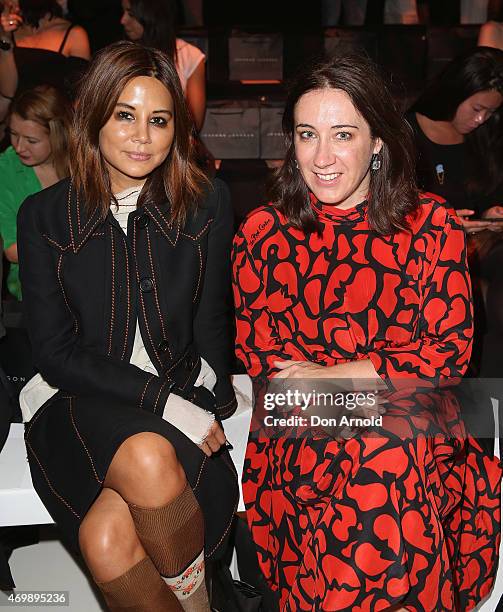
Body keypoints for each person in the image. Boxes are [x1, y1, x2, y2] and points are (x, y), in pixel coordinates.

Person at [232, 54, 502, 610]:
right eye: (308, 135)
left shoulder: (432, 225)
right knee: (381, 458)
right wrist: (371, 375)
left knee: (388, 454)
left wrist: (334, 373)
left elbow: (446, 358)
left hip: (417, 418)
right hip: (299, 428)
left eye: (343, 135)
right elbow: (269, 367)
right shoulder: (264, 233)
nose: (323, 158)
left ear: (377, 142)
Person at [17, 41, 238, 611]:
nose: (142, 136)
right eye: (125, 115)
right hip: (78, 398)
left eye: (159, 120)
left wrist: (210, 400)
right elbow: (56, 355)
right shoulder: (44, 216)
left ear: (176, 130)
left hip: (178, 395)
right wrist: (167, 404)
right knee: (143, 456)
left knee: (105, 539)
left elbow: (212, 318)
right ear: (92, 119)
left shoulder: (206, 202)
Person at [408, 47, 503, 373]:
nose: (481, 120)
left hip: (483, 242)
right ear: (456, 91)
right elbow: (393, 209)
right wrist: (443, 223)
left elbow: (490, 194)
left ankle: (492, 397)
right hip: (428, 246)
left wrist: (492, 213)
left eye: (490, 113)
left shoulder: (486, 135)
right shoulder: (405, 134)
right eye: (477, 109)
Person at [0, 84, 71, 300]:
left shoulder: (83, 161)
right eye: (13, 134)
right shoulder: (6, 168)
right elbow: (12, 250)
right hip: (34, 290)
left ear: (57, 136)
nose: (20, 147)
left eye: (32, 141)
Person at [0, 0, 90, 136]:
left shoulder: (74, 34)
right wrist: (5, 41)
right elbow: (8, 92)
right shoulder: (6, 34)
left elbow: (80, 98)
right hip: (16, 128)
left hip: (55, 133)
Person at [120, 0, 206, 131]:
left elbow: (194, 124)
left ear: (151, 15)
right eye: (124, 12)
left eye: (131, 14)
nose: (123, 20)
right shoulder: (122, 54)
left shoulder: (189, 55)